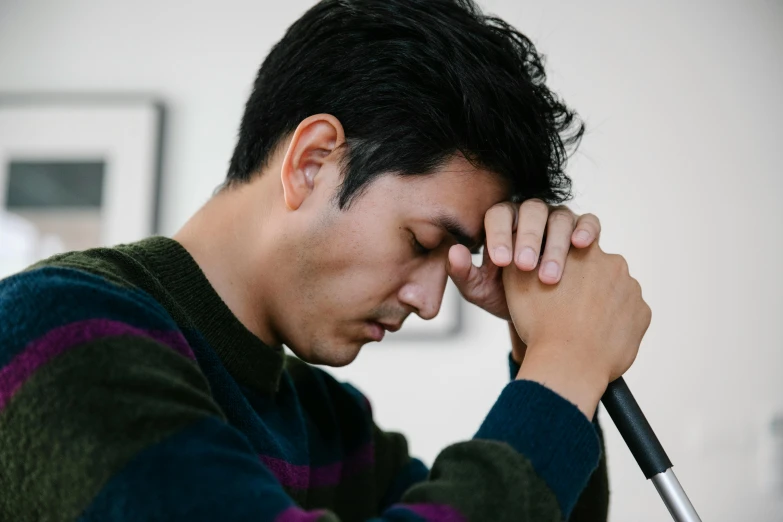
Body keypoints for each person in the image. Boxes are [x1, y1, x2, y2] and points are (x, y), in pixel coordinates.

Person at [0, 0, 652, 521]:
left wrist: (540, 348)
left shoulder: (329, 423)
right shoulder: (54, 325)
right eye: (423, 242)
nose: (429, 302)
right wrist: (563, 369)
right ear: (313, 162)